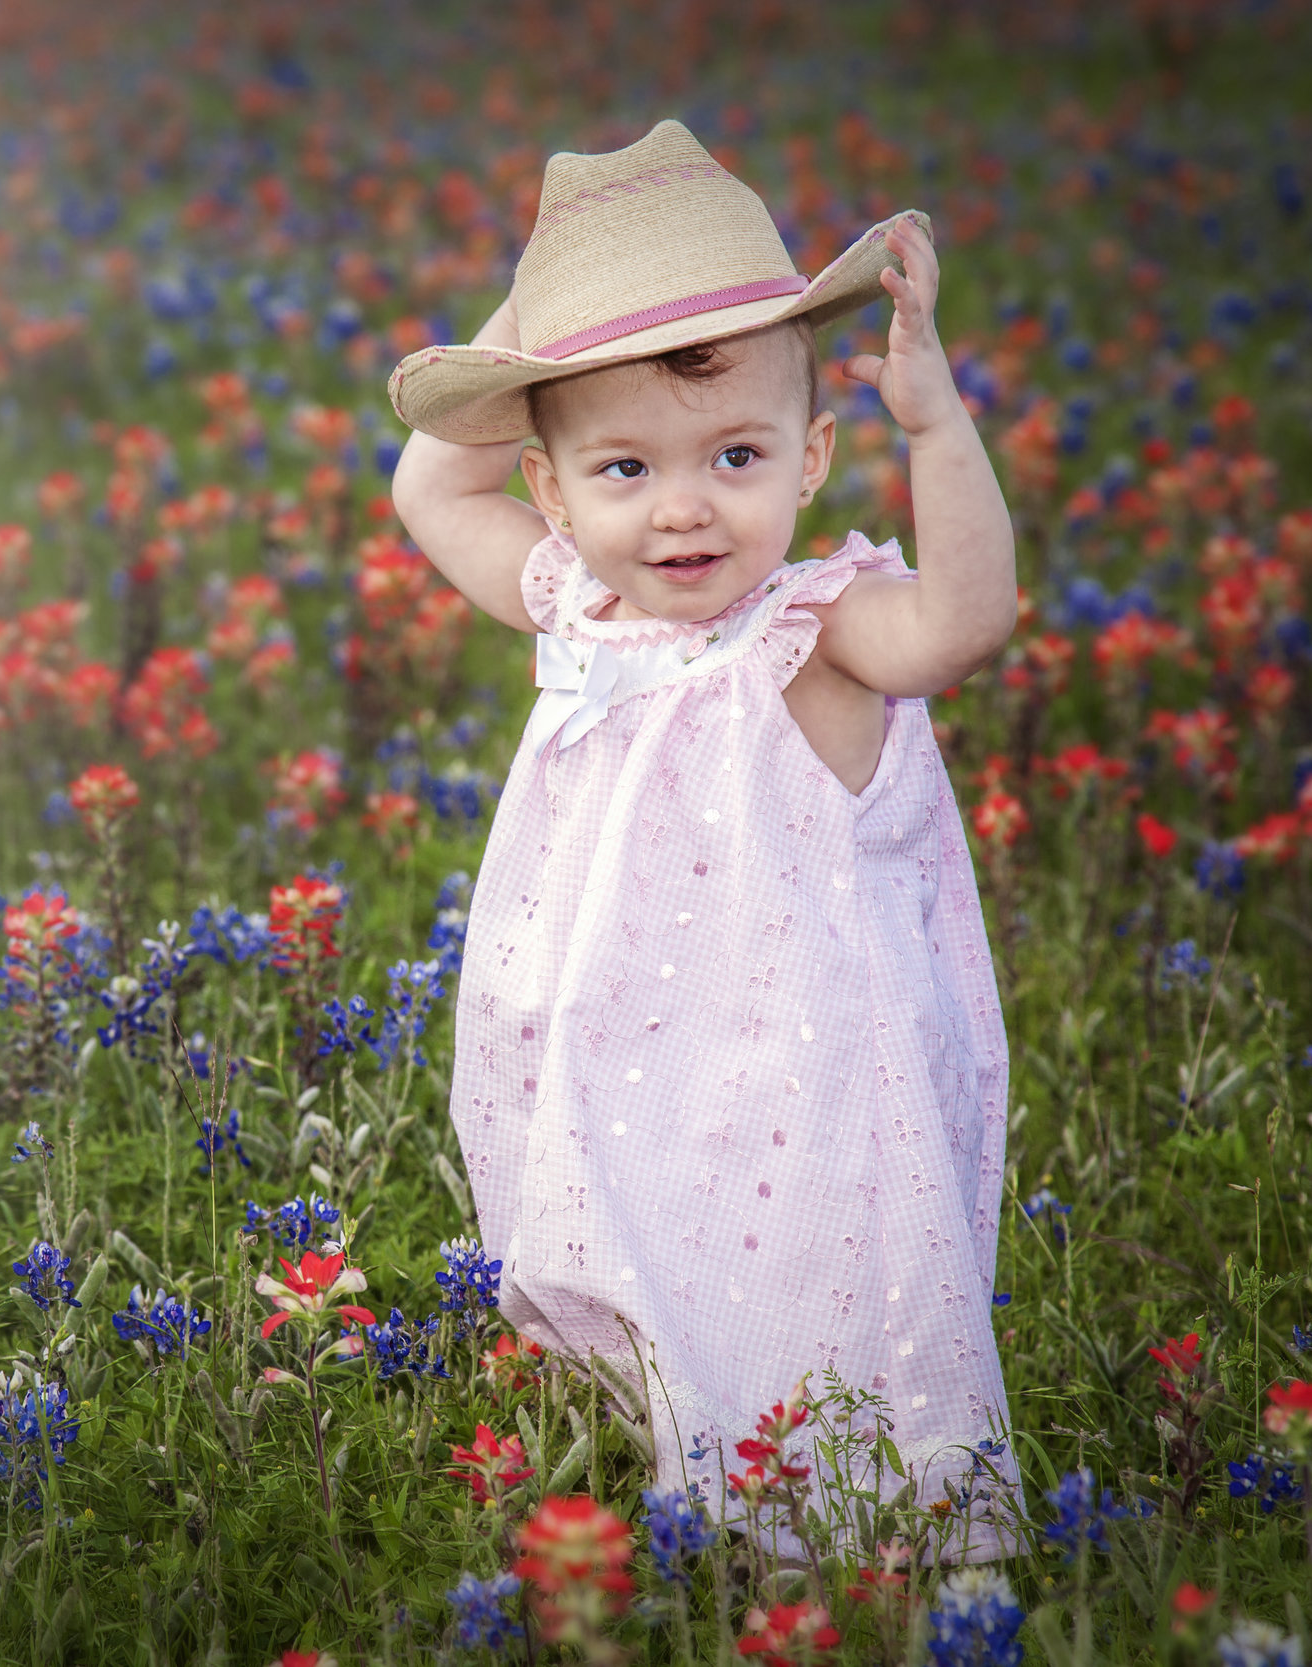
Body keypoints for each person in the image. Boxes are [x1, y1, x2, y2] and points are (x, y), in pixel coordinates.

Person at [387, 119, 1023, 1563]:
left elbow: (964, 625)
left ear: (809, 461)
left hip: (804, 1071)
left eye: (734, 454)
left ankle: (862, 1544)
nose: (682, 507)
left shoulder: (821, 629)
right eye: (621, 469)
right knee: (635, 1286)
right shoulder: (574, 603)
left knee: (825, 1316)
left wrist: (938, 425)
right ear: (548, 491)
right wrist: (542, 320)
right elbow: (430, 486)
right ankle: (682, 1493)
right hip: (619, 1058)